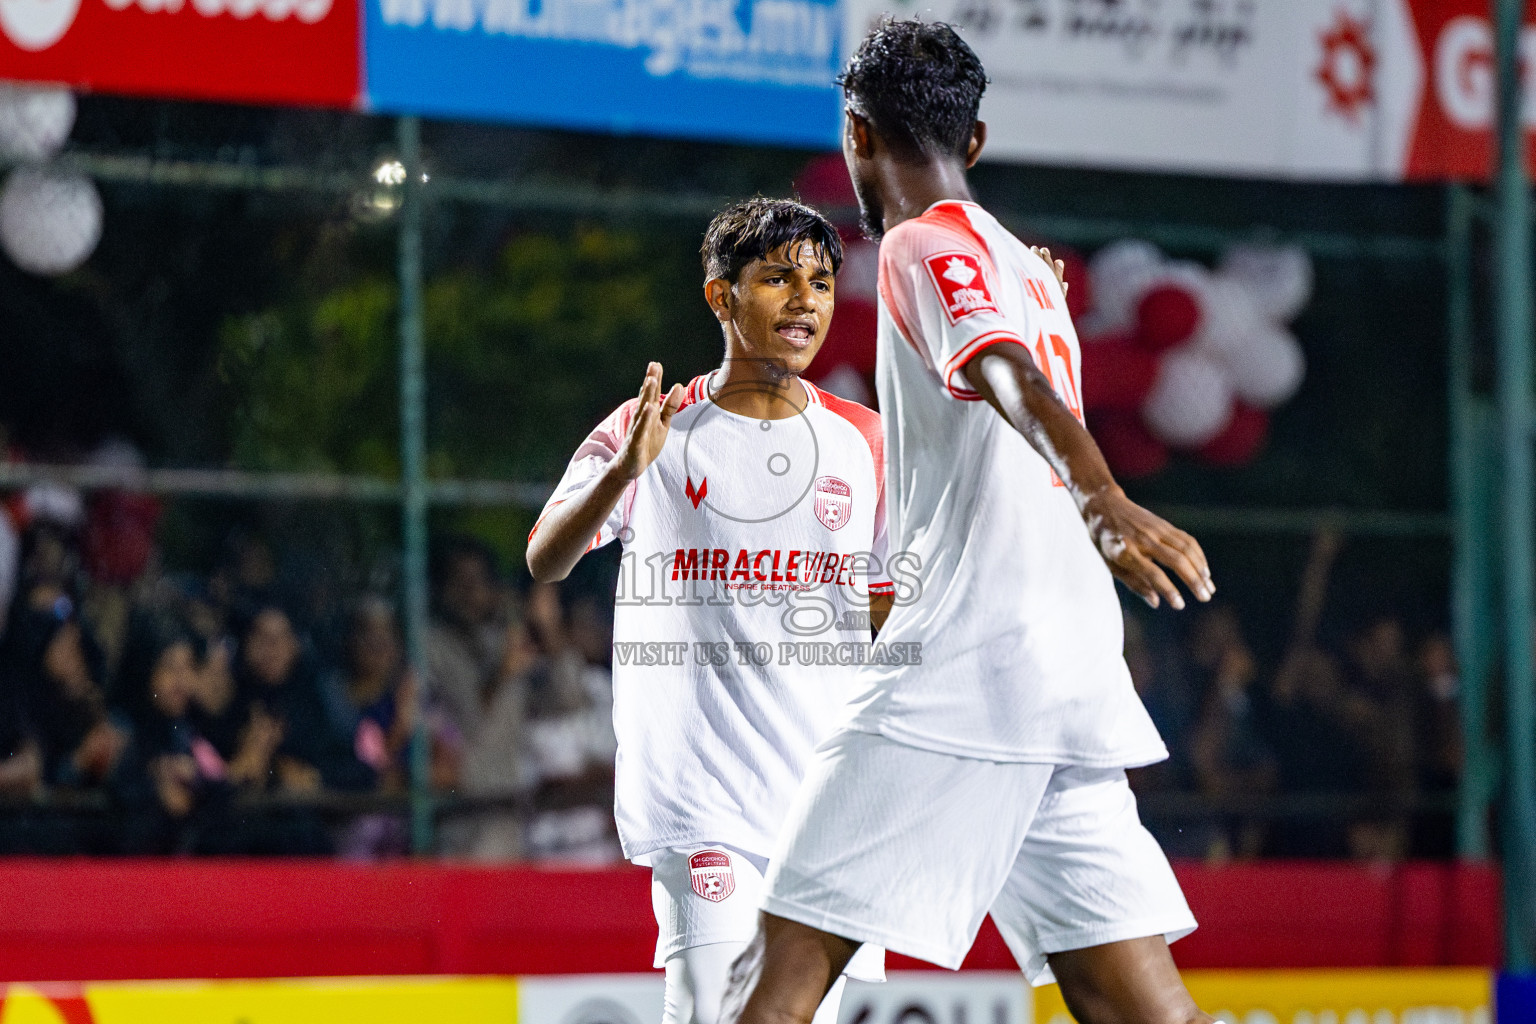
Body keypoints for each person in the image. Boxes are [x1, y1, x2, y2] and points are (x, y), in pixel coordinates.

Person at [720, 23, 1216, 1024]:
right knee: (1134, 1002)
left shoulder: (919, 244)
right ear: (976, 140)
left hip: (969, 668)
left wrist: (1101, 495)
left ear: (856, 133)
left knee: (781, 965)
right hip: (1067, 675)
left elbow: (1008, 373)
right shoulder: (1028, 270)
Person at [526, 197, 895, 1024]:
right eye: (778, 278)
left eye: (823, 282)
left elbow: (885, 610)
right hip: (703, 805)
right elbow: (545, 555)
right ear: (721, 297)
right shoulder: (649, 428)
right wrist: (625, 473)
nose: (806, 300)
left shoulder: (866, 442)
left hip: (825, 810)